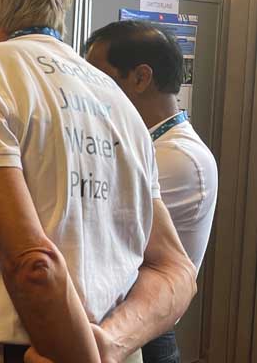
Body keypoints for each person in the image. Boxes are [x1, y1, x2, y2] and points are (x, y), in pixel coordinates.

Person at [0, 0, 197, 362]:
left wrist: (81, 355)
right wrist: (109, 344)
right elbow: (175, 270)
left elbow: (32, 263)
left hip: (30, 350)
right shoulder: (116, 97)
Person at [85, 20, 219, 363]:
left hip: (138, 333)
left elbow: (99, 238)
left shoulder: (177, 156)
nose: (86, 89)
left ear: (141, 78)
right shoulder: (143, 143)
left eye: (97, 76)